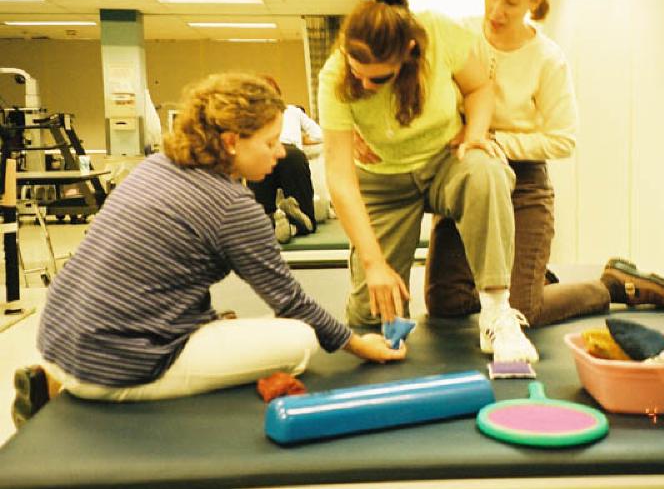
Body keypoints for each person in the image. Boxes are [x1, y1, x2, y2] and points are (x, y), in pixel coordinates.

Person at [11, 72, 405, 429]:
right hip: (113, 366)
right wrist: (358, 344)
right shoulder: (233, 207)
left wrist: (206, 321)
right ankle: (76, 389)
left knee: (225, 320)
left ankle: (56, 377)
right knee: (300, 340)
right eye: (270, 142)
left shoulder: (157, 167)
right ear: (232, 142)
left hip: (57, 338)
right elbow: (291, 303)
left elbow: (164, 278)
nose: (281, 153)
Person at [423, 0, 664, 327]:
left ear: (535, 0)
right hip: (471, 183)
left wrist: (494, 140)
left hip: (525, 187)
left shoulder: (547, 58)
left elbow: (563, 138)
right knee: (446, 303)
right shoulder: (461, 37)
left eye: (511, 2)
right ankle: (532, 280)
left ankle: (609, 286)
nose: (496, 10)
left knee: (522, 311)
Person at [317, 0, 539, 364]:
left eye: (378, 79)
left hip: (443, 162)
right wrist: (374, 264)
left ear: (408, 53)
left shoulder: (436, 33)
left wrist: (474, 136)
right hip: (383, 182)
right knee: (369, 319)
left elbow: (479, 88)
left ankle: (497, 313)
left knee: (486, 169)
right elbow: (340, 178)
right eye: (359, 74)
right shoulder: (335, 77)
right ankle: (382, 306)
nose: (365, 86)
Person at [247, 75, 321, 238]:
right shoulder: (293, 110)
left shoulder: (250, 118)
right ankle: (295, 224)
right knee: (306, 216)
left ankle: (273, 220)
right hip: (293, 154)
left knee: (261, 214)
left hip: (262, 156)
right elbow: (319, 134)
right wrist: (304, 139)